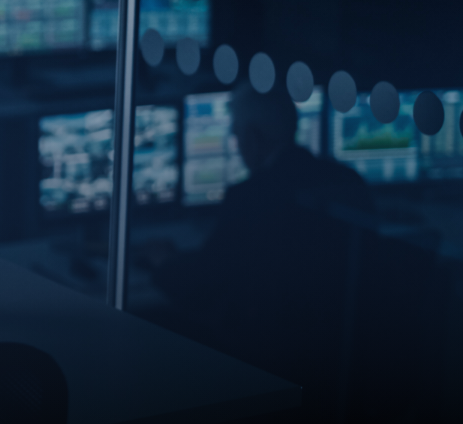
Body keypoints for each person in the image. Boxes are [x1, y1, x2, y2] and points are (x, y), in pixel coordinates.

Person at [145, 84, 372, 414]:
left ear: (251, 137)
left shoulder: (250, 197)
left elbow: (203, 280)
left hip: (271, 368)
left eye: (236, 136)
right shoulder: (349, 183)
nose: (237, 145)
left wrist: (163, 263)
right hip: (342, 366)